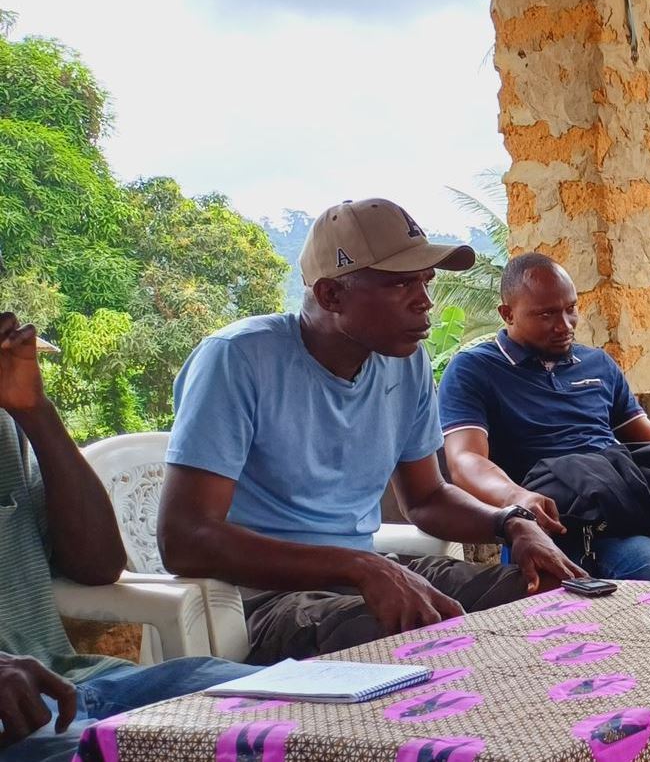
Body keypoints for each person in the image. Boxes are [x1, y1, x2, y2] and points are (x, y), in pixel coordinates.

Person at [157, 198, 583, 665]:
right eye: (401, 283)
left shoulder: (406, 362)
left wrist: (511, 523)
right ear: (330, 296)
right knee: (418, 644)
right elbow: (185, 538)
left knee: (552, 597)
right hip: (259, 598)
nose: (425, 301)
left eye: (426, 280)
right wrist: (359, 565)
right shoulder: (239, 359)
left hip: (366, 574)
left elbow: (426, 499)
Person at [0, 313, 259, 762]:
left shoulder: (7, 421)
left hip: (82, 682)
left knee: (299, 707)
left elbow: (98, 565)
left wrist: (34, 412)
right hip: (20, 715)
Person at [440, 252, 650, 582]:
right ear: (507, 313)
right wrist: (516, 497)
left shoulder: (598, 365)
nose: (564, 325)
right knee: (648, 563)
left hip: (617, 508)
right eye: (546, 314)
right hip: (546, 527)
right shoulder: (475, 369)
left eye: (570, 309)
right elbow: (465, 459)